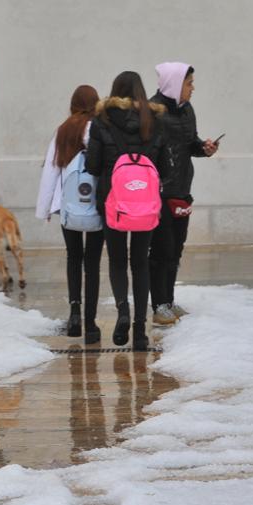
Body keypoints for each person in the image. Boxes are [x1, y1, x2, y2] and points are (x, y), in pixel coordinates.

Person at [86, 71, 170, 351]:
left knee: (118, 261)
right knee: (141, 262)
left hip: (113, 200)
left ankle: (123, 311)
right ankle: (140, 331)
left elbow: (93, 166)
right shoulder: (156, 121)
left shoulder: (102, 120)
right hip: (146, 203)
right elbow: (165, 168)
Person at [149, 63, 218, 324]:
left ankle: (169, 300)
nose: (193, 88)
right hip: (159, 192)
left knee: (176, 249)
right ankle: (158, 305)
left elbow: (191, 144)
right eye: (189, 83)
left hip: (182, 189)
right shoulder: (153, 111)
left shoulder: (187, 109)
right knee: (161, 250)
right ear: (175, 84)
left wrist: (205, 148)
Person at [35, 85, 103, 344]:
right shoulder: (100, 128)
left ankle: (74, 316)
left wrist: (46, 207)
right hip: (96, 205)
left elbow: (51, 171)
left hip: (69, 205)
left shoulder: (63, 131)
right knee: (93, 262)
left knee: (74, 257)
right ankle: (91, 323)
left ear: (73, 104)